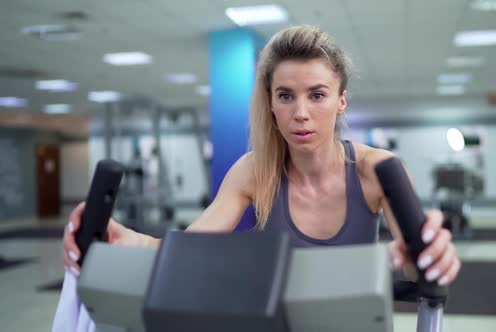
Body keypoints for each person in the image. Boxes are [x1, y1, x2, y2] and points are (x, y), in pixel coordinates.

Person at [62, 25, 460, 286]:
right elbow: (190, 246)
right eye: (285, 96)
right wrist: (123, 238)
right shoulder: (255, 171)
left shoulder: (377, 171)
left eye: (317, 95)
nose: (300, 112)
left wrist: (426, 256)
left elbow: (414, 263)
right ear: (270, 103)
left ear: (341, 102)